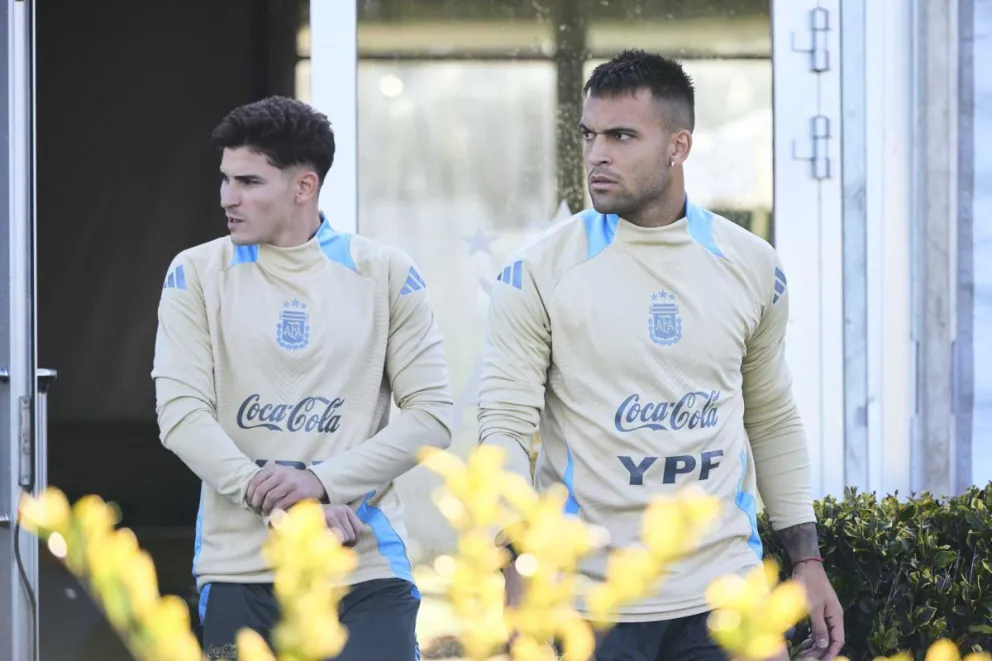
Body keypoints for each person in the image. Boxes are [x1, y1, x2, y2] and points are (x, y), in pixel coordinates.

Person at [478, 50, 845, 661]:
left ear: (679, 146)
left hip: (725, 591)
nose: (597, 154)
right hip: (588, 601)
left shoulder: (752, 265)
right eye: (590, 135)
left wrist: (806, 558)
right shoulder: (537, 273)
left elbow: (772, 418)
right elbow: (506, 429)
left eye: (622, 136)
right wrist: (515, 568)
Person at [151, 95, 453, 661]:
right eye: (224, 179)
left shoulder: (385, 272)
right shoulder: (194, 273)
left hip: (362, 564)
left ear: (304, 187)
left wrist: (324, 481)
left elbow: (431, 418)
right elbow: (181, 416)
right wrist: (282, 500)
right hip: (241, 566)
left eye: (248, 181)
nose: (227, 198)